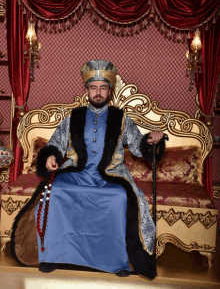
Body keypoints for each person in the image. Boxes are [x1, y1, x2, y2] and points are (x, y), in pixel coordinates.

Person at [11, 60, 165, 279]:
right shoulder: (73, 117)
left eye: (103, 87)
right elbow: (56, 143)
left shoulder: (121, 119)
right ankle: (52, 256)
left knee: (120, 198)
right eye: (94, 88)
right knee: (54, 193)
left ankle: (118, 261)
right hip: (76, 173)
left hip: (110, 176)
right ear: (87, 90)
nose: (98, 92)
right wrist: (51, 156)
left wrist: (152, 140)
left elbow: (140, 147)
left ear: (109, 91)